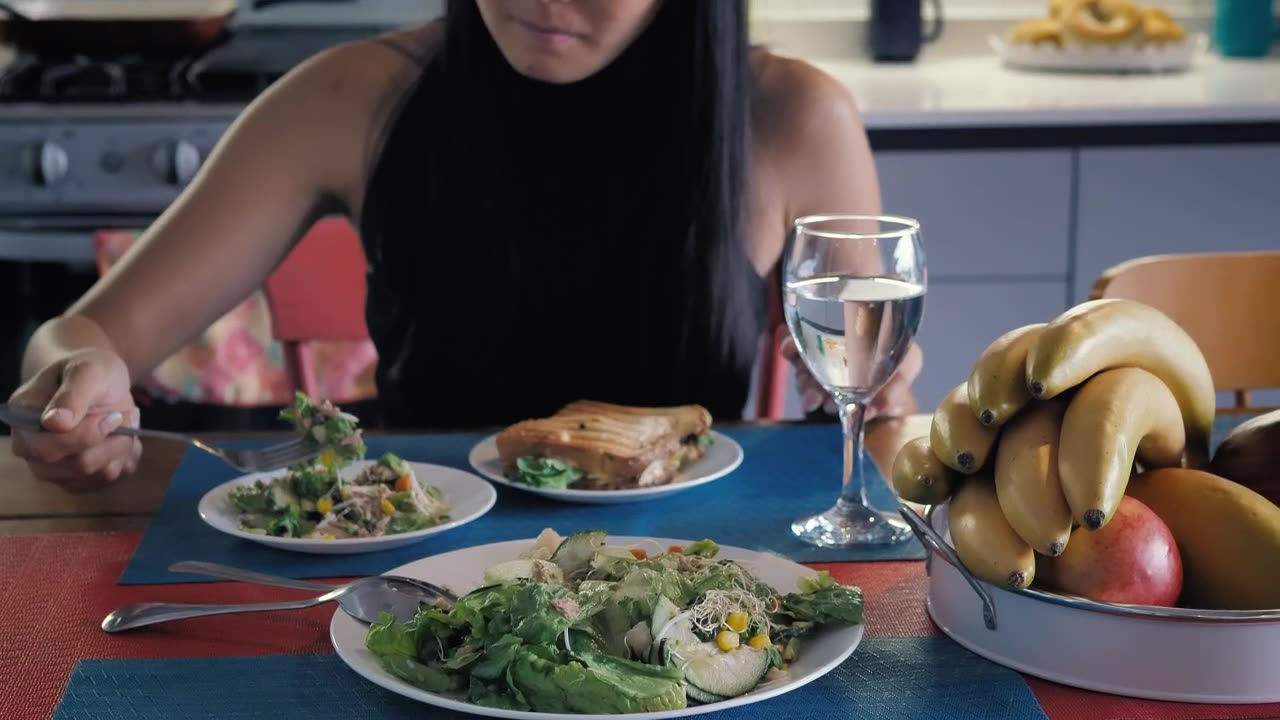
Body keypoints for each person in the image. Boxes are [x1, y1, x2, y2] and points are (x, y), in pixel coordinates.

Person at [8, 0, 922, 493]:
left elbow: (874, 417)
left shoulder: (793, 119)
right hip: (408, 581)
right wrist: (78, 385)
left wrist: (878, 392)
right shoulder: (353, 95)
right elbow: (81, 336)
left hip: (687, 594)